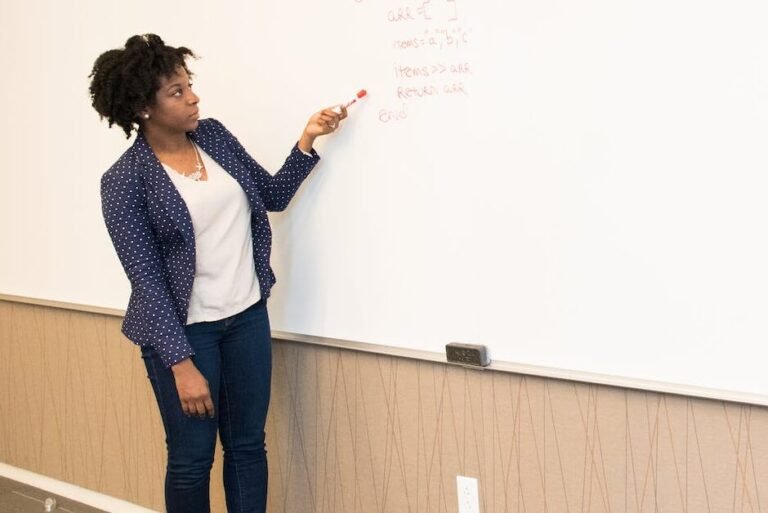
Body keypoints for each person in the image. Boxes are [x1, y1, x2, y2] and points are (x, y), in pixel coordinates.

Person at [89, 34, 346, 513]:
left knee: (248, 446)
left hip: (246, 316)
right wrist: (181, 365)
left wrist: (307, 138)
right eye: (176, 91)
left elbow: (270, 196)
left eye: (190, 85)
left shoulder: (214, 137)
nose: (193, 98)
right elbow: (145, 280)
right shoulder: (124, 181)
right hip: (185, 335)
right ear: (143, 107)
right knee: (191, 459)